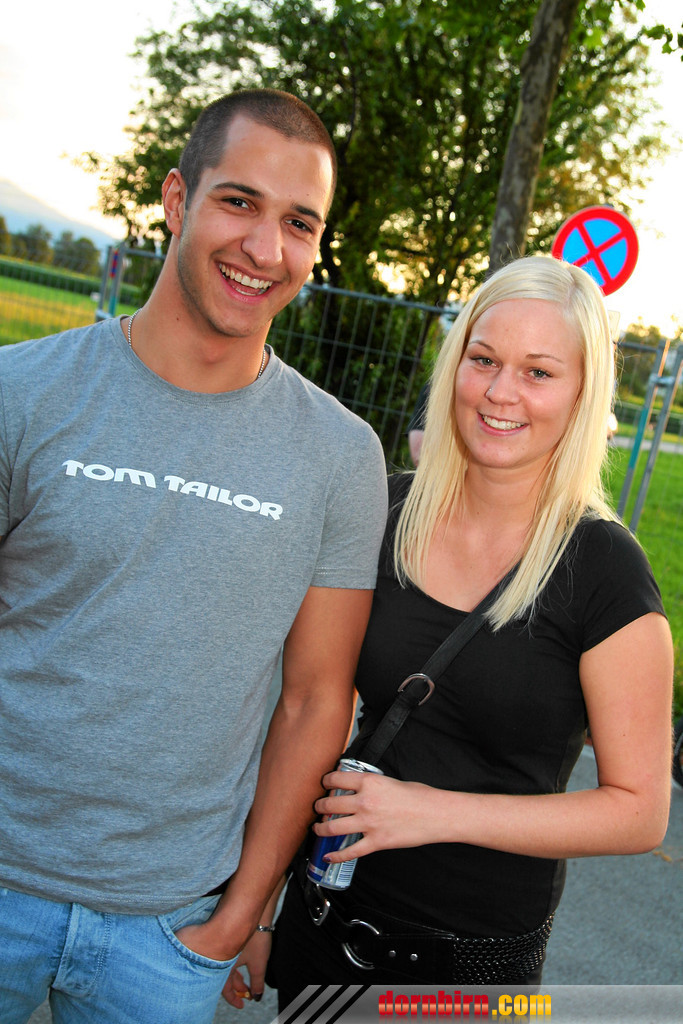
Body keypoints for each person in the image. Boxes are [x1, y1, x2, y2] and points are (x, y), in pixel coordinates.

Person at [0, 89, 388, 1024]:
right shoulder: (23, 393)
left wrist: (243, 912)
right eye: (238, 202)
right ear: (177, 200)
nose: (264, 248)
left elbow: (315, 701)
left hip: (171, 928)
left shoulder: (341, 456)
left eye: (298, 223)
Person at [244, 254, 673, 1006]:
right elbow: (312, 711)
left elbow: (639, 812)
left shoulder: (604, 570)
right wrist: (257, 906)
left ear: (581, 396)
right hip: (326, 921)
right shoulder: (385, 512)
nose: (501, 392)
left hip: (466, 967)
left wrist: (430, 811)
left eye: (538, 372)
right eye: (483, 360)